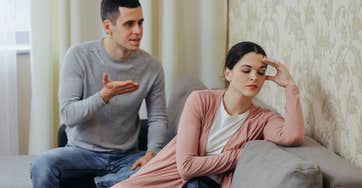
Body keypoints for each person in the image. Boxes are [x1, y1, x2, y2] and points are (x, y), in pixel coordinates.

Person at [112, 41, 305, 188]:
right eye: (246, 70)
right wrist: (239, 155)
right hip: (162, 176)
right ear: (228, 73)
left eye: (261, 72)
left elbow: (293, 136)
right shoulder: (200, 100)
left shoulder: (263, 118)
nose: (254, 77)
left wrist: (290, 86)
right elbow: (186, 167)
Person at [30, 0, 168, 187]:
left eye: (140, 22)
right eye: (129, 24)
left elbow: (157, 118)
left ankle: (102, 183)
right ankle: (109, 184)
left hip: (126, 157)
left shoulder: (152, 67)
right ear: (107, 27)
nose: (138, 31)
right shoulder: (78, 56)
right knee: (41, 165)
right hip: (81, 153)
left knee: (165, 169)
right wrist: (103, 96)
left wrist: (153, 153)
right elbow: (68, 115)